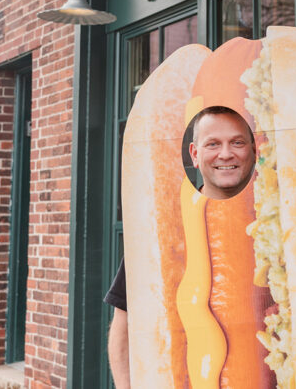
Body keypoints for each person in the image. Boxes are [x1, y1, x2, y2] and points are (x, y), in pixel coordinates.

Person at [105, 106, 257, 387]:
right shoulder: (161, 228)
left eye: (237, 142)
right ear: (195, 155)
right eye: (213, 144)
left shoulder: (277, 218)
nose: (226, 154)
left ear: (253, 150)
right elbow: (124, 323)